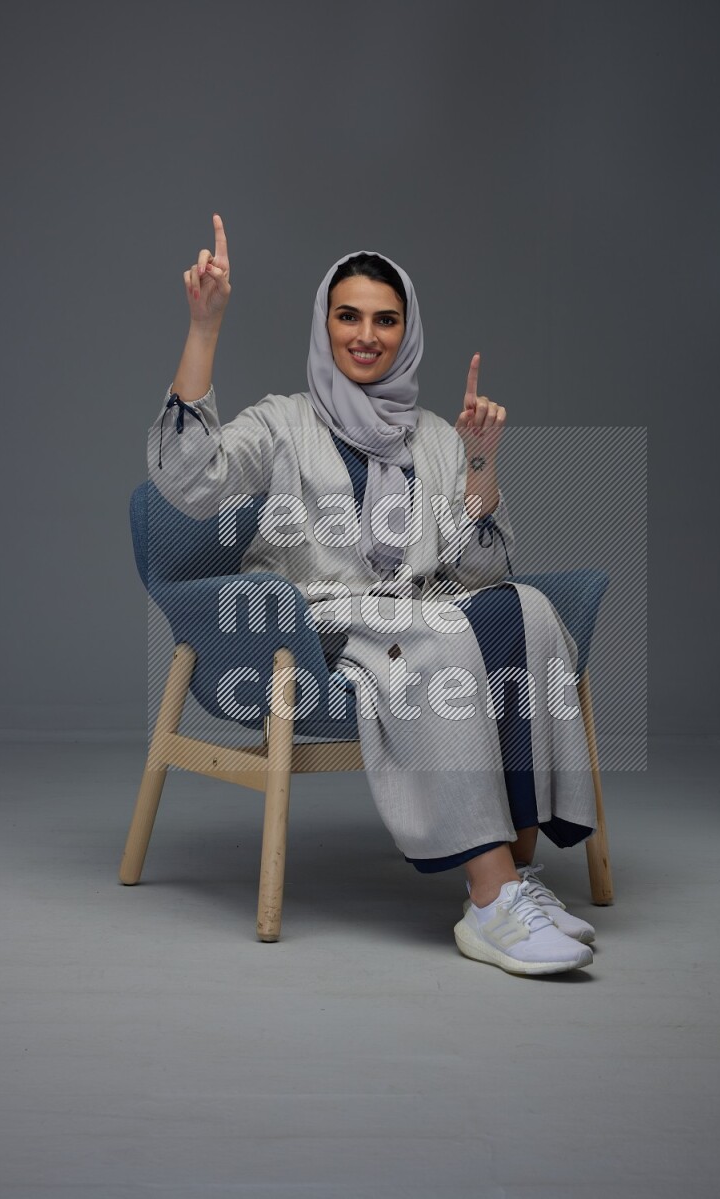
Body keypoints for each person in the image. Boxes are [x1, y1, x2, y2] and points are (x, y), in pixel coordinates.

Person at [150, 213, 598, 977]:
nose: (366, 334)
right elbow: (189, 483)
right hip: (317, 626)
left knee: (530, 610)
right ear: (325, 324)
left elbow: (482, 571)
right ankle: (489, 900)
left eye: (385, 319)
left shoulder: (433, 435)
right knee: (440, 636)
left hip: (415, 613)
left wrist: (481, 464)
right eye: (348, 315)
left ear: (407, 330)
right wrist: (205, 327)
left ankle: (517, 877)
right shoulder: (283, 422)